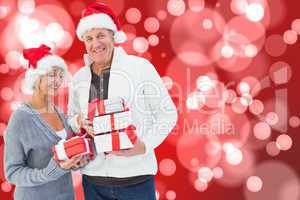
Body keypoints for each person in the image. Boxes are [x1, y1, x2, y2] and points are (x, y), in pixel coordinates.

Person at [68, 2, 178, 200]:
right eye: (89, 38)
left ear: (113, 36)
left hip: (135, 179)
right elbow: (71, 119)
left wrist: (144, 146)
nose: (95, 44)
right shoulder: (79, 78)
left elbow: (167, 113)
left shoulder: (139, 68)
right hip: (93, 181)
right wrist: (79, 122)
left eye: (101, 35)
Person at [4, 44, 87, 200]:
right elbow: (13, 173)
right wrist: (52, 171)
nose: (57, 81)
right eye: (51, 75)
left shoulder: (60, 113)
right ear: (36, 77)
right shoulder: (20, 118)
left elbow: (65, 156)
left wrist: (77, 161)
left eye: (61, 76)